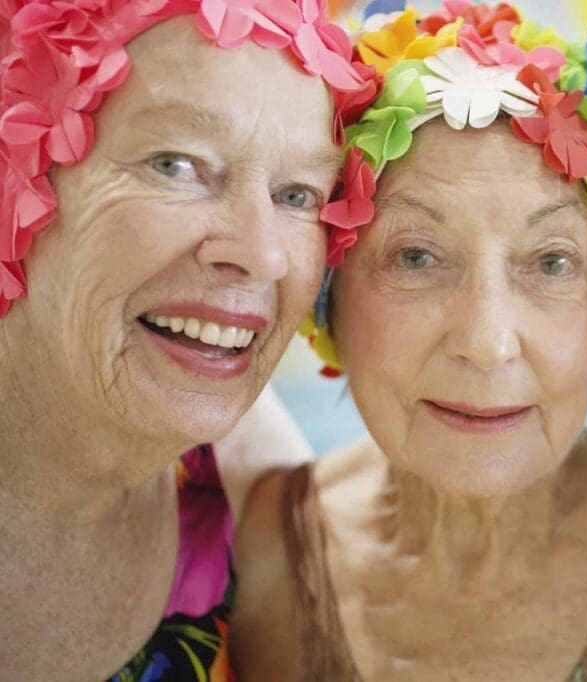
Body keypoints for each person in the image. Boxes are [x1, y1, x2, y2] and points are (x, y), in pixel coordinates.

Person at [229, 3, 587, 680]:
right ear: (328, 296)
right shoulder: (263, 554)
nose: (489, 344)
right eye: (415, 258)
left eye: (551, 262)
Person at [0, 1, 377, 679]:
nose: (262, 255)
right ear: (17, 177)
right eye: (177, 165)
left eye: (298, 195)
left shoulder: (259, 509)